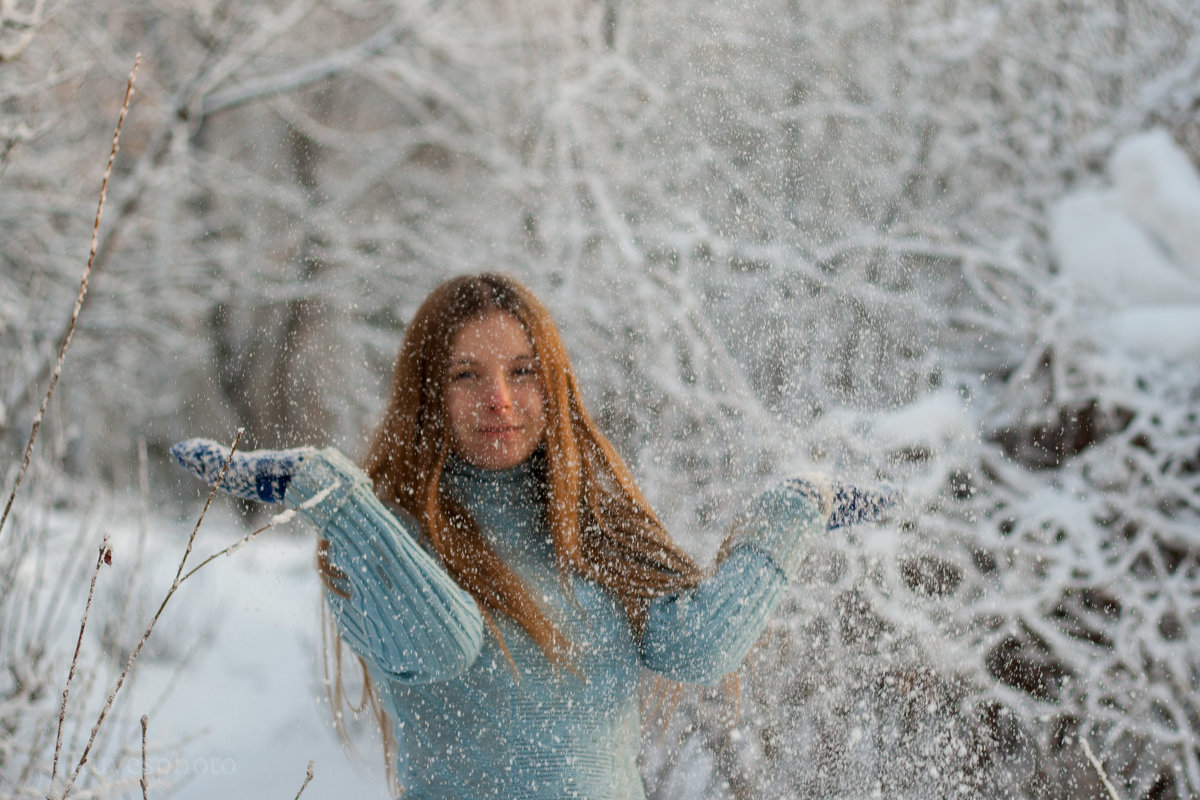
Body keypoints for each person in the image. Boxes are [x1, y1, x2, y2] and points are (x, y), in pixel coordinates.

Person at [171, 273, 895, 799]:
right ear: (428, 391)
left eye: (523, 371)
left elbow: (699, 647)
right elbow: (443, 641)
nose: (500, 399)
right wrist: (333, 495)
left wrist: (789, 512)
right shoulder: (380, 543)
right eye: (466, 375)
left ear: (554, 384)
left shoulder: (589, 529)